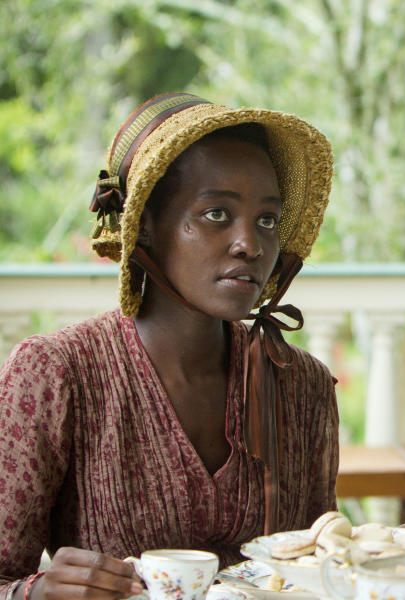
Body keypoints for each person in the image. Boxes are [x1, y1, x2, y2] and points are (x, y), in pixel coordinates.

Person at [0, 93, 339, 600]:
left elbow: (315, 567)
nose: (250, 244)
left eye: (267, 219)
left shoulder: (301, 383)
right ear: (148, 226)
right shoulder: (58, 375)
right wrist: (33, 593)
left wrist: (398, 549)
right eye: (217, 213)